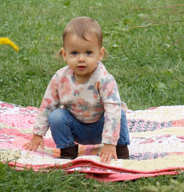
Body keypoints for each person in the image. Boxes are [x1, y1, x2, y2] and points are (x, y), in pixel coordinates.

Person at [24, 16, 130, 163]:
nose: (81, 59)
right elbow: (48, 104)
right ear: (64, 54)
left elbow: (112, 109)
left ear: (100, 54)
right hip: (76, 127)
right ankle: (68, 151)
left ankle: (120, 149)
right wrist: (38, 133)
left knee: (119, 113)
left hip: (101, 126)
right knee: (56, 116)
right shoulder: (61, 77)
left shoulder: (104, 79)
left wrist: (109, 142)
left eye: (88, 53)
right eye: (74, 53)